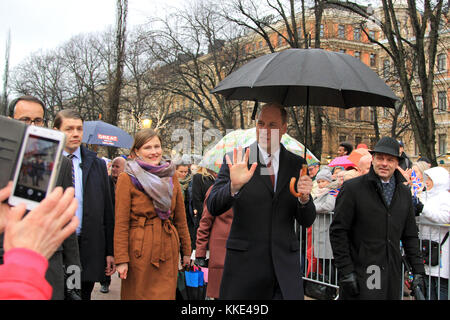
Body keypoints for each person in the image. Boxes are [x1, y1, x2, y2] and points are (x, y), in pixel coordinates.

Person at [207, 102, 316, 300]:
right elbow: (213, 205)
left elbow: (306, 220)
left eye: (272, 125)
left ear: (284, 128)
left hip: (284, 270)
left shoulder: (297, 164)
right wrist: (234, 186)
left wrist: (305, 198)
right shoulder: (238, 158)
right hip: (245, 269)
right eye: (261, 124)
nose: (265, 130)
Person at [0, 95, 81, 300]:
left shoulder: (61, 163)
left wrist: (73, 273)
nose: (32, 125)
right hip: (7, 261)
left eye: (37, 121)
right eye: (25, 120)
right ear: (11, 120)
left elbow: (66, 218)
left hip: (48, 262)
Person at [329, 137, 425, 300]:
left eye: (390, 159)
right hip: (363, 270)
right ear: (373, 159)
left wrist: (418, 270)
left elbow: (410, 235)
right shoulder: (353, 189)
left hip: (391, 271)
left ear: (397, 163)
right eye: (380, 158)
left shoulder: (403, 193)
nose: (384, 163)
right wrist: (346, 270)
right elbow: (338, 232)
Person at [114, 128, 192, 300]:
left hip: (167, 247)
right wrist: (121, 259)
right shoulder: (126, 178)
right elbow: (120, 222)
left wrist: (186, 251)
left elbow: (180, 218)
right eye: (147, 148)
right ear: (136, 151)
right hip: (139, 250)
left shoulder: (171, 176)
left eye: (157, 146)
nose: (154, 152)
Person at [53, 109, 115, 300]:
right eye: (69, 129)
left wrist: (109, 252)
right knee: (62, 293)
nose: (75, 134)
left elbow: (107, 210)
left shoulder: (95, 164)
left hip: (88, 246)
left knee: (81, 295)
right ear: (56, 130)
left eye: (79, 128)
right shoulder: (48, 161)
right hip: (58, 247)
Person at [0, 182, 79, 299]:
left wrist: (74, 276)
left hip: (50, 264)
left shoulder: (63, 164)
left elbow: (66, 218)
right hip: (24, 266)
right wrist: (26, 260)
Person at [416, 166, 450, 300]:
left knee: (441, 286)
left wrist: (423, 208)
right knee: (428, 285)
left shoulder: (445, 197)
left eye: (430, 179)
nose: (427, 182)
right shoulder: (423, 195)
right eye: (427, 179)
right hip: (426, 246)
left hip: (441, 247)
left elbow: (445, 217)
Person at [195, 185, 233, 299]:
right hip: (222, 253)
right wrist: (200, 253)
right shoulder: (216, 190)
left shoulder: (254, 189)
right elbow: (205, 222)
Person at [99, 156, 126, 294]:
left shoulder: (128, 183)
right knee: (107, 253)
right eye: (113, 166)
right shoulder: (106, 182)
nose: (114, 169)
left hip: (122, 225)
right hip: (109, 223)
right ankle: (105, 281)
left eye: (117, 167)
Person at [311, 169, 339, 297]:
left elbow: (329, 206)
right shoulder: (319, 193)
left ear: (328, 181)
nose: (321, 184)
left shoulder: (332, 192)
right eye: (319, 181)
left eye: (322, 181)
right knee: (324, 262)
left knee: (329, 264)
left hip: (327, 231)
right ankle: (328, 287)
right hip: (320, 231)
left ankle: (331, 289)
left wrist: (312, 208)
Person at [191, 167, 217, 249]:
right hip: (205, 220)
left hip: (219, 223)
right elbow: (197, 200)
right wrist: (209, 215)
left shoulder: (223, 177)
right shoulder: (199, 177)